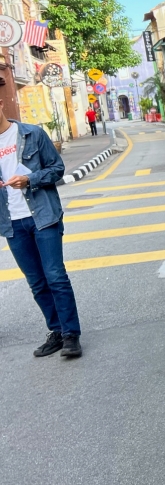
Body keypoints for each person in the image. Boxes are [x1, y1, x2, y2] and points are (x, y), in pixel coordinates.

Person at [0, 79, 83, 358]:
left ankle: (71, 335)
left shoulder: (32, 134)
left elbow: (57, 168)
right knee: (36, 282)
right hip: (12, 222)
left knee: (55, 276)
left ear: (1, 103)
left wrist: (30, 179)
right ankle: (57, 330)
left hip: (43, 215)